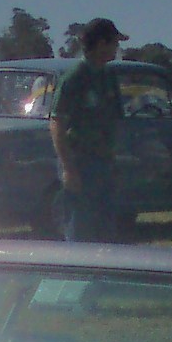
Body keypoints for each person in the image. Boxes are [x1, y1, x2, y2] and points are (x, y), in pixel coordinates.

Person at [48, 17, 126, 242]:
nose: (117, 49)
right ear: (101, 44)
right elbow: (57, 123)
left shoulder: (108, 76)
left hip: (104, 164)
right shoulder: (75, 77)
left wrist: (114, 160)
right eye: (114, 43)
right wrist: (68, 168)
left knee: (106, 232)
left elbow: (115, 119)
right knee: (80, 230)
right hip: (80, 163)